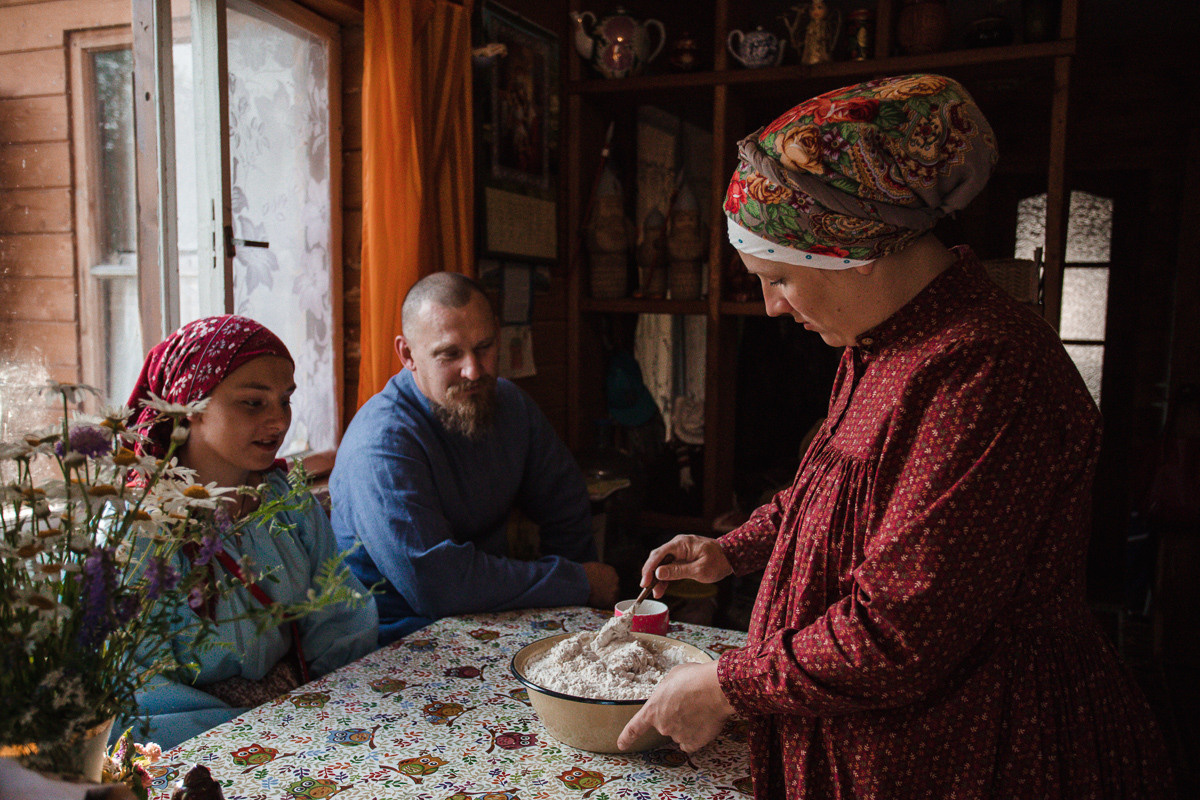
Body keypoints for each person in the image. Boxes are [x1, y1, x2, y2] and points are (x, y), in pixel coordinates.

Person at [618, 74, 1173, 798]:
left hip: (971, 745)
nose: (772, 307)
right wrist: (734, 549)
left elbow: (896, 632)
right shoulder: (878, 344)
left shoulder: (985, 372)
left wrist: (727, 685)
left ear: (858, 250)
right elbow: (834, 492)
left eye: (780, 278)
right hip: (874, 724)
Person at [123, 315, 378, 750]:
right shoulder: (141, 531)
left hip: (302, 719)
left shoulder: (288, 501)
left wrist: (330, 704)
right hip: (195, 744)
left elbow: (340, 618)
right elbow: (138, 691)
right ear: (189, 406)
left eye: (285, 400)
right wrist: (252, 730)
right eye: (253, 403)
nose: (279, 421)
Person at [330, 272, 618, 645]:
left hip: (489, 621)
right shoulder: (380, 445)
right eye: (450, 354)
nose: (474, 370)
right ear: (407, 355)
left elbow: (565, 503)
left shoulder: (509, 404)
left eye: (484, 346)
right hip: (394, 641)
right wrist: (575, 581)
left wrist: (580, 610)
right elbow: (436, 584)